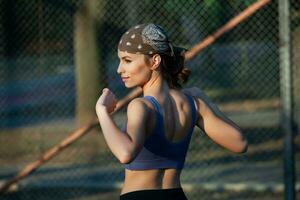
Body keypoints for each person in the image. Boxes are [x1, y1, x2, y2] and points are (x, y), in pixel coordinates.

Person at [95, 23, 248, 200]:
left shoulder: (141, 106)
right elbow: (240, 143)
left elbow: (125, 153)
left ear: (155, 61)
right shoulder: (193, 102)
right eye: (120, 60)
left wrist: (102, 112)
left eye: (127, 60)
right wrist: (203, 102)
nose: (119, 69)